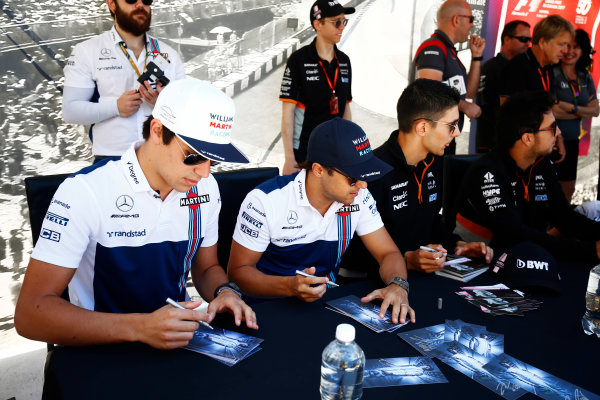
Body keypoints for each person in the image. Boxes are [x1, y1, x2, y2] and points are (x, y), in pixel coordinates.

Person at [15, 78, 257, 349]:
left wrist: (224, 292)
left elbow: (207, 267)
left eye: (214, 159)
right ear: (156, 130)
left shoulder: (206, 188)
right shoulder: (85, 191)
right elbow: (30, 314)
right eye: (193, 156)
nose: (204, 172)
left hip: (174, 339)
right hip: (99, 348)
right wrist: (141, 328)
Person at [228, 118, 415, 324]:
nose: (362, 185)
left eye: (365, 175)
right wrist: (290, 286)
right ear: (318, 170)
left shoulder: (359, 196)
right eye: (353, 178)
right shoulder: (266, 200)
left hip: (325, 307)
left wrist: (398, 284)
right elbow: (238, 273)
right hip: (264, 311)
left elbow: (387, 252)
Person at [350, 79, 492, 274]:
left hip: (422, 278)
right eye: (452, 125)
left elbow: (430, 221)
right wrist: (405, 260)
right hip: (373, 285)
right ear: (422, 128)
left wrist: (457, 244)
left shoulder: (434, 162)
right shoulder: (372, 174)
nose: (457, 133)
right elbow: (348, 253)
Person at [455, 90, 600, 261]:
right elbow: (512, 234)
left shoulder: (541, 162)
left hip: (524, 258)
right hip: (480, 263)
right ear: (527, 138)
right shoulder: (486, 172)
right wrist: (589, 250)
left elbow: (564, 216)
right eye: (552, 127)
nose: (559, 132)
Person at [62, 0, 186, 163]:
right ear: (112, 4)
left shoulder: (169, 54)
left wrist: (162, 103)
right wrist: (115, 107)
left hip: (162, 158)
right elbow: (71, 111)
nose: (140, 5)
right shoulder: (87, 51)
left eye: (147, 0)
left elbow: (186, 113)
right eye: (131, 0)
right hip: (112, 160)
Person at [279, 0, 354, 174]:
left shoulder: (344, 61)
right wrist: (289, 158)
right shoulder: (298, 60)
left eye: (344, 21)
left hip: (335, 154)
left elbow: (346, 108)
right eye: (336, 22)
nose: (342, 27)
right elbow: (287, 113)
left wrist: (349, 148)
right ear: (318, 24)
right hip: (305, 156)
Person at [500, 15, 575, 162]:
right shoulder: (517, 67)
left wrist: (556, 135)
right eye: (561, 44)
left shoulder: (548, 69)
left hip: (540, 150)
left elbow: (547, 109)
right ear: (543, 42)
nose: (566, 51)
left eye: (567, 45)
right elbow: (506, 112)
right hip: (520, 155)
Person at [414, 0, 485, 154]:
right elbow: (430, 90)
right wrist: (465, 106)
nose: (472, 25)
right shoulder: (434, 47)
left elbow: (470, 93)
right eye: (470, 20)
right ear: (456, 20)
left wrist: (476, 57)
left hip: (446, 138)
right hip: (432, 138)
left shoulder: (450, 52)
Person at [552, 29, 599, 202]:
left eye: (576, 47)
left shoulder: (584, 76)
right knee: (546, 192)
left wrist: (569, 108)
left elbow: (595, 110)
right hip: (551, 141)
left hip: (572, 142)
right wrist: (581, 110)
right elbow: (552, 112)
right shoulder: (552, 73)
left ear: (583, 50)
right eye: (567, 46)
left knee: (568, 192)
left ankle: (560, 227)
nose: (570, 51)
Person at [475, 20, 531, 153]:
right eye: (523, 39)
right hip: (492, 142)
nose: (528, 44)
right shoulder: (491, 67)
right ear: (507, 39)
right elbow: (485, 107)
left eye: (530, 39)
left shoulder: (525, 68)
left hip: (517, 143)